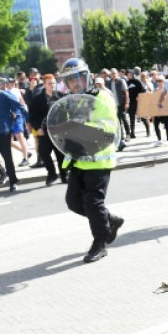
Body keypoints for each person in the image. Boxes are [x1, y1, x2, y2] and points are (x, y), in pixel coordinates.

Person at [57, 59, 124, 263]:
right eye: (70, 80)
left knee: (93, 203)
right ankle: (110, 221)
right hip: (78, 159)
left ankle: (100, 243)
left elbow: (107, 131)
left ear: (87, 77)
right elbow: (65, 126)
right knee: (73, 202)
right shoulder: (71, 100)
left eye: (77, 78)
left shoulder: (102, 96)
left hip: (98, 158)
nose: (75, 83)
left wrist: (80, 134)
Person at [28, 73, 66, 185]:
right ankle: (52, 174)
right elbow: (33, 115)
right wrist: (37, 127)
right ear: (44, 85)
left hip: (59, 130)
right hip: (44, 130)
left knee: (61, 154)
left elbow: (67, 112)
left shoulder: (61, 96)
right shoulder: (37, 99)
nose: (52, 85)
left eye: (54, 83)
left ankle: (64, 175)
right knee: (44, 153)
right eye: (50, 83)